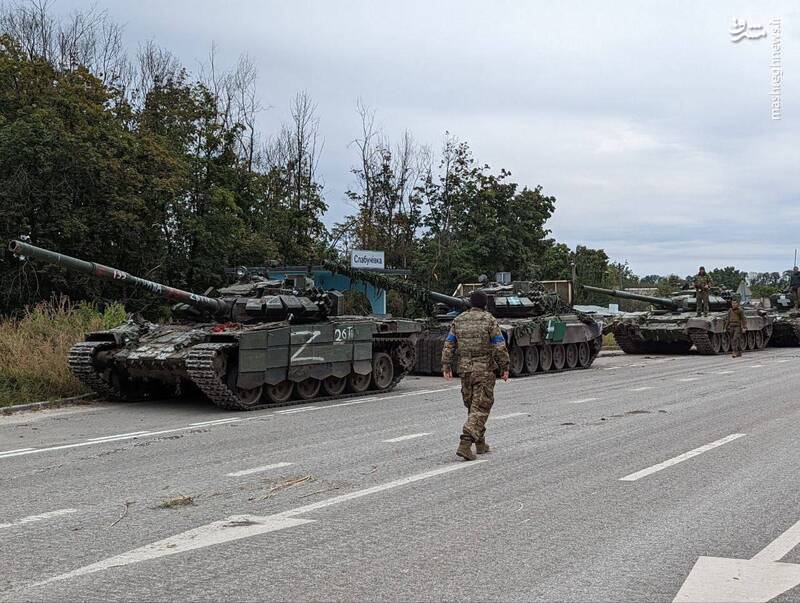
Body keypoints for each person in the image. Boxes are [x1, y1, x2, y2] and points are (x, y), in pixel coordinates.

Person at [441, 290, 510, 461]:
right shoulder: (489, 320)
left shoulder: (459, 320)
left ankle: (480, 442)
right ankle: (465, 444)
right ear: (485, 304)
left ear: (470, 303)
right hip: (484, 370)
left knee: (473, 405)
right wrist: (505, 367)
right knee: (481, 407)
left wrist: (446, 365)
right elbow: (499, 345)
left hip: (465, 370)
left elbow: (449, 343)